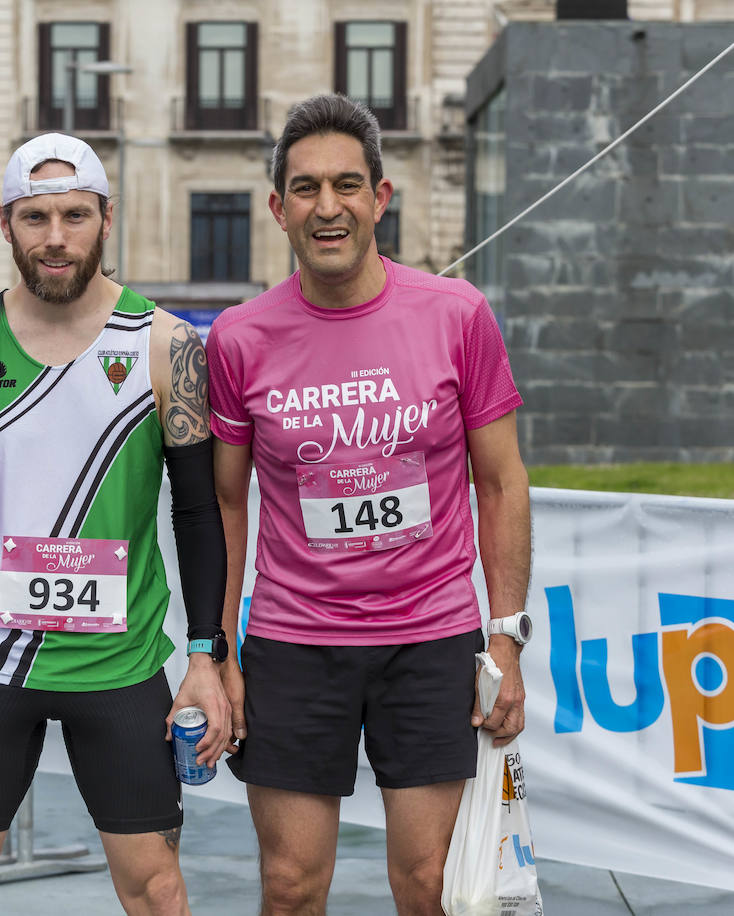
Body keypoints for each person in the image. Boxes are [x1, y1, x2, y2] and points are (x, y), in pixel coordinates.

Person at [205, 94, 532, 915]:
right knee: (289, 886)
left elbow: (500, 484)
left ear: (379, 198)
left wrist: (506, 636)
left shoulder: (457, 314)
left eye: (347, 185)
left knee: (427, 888)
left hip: (429, 643)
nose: (328, 207)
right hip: (293, 644)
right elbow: (226, 505)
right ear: (279, 208)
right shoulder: (240, 338)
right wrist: (217, 651)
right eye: (306, 188)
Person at [0, 133, 231, 915]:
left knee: (154, 889)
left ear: (106, 219)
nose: (55, 237)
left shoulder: (167, 347)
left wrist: (206, 655)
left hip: (117, 667)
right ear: (6, 224)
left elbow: (196, 508)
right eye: (35, 217)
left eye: (75, 215)